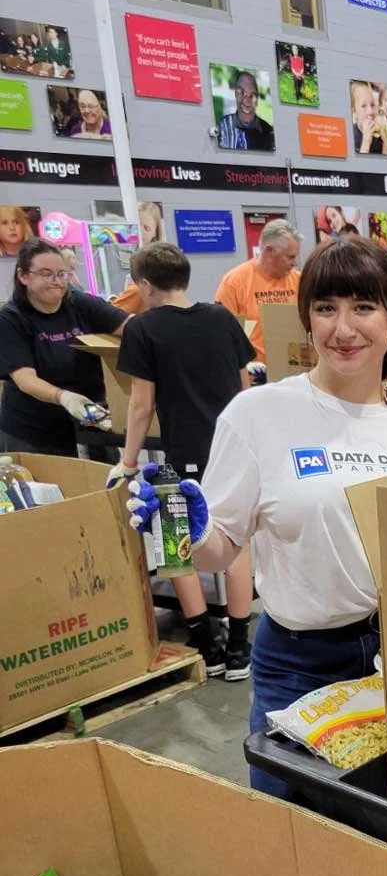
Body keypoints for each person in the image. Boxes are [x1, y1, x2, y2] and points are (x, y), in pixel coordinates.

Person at [126, 238, 387, 799]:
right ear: (307, 319)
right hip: (299, 662)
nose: (343, 328)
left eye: (363, 307)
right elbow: (218, 549)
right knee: (290, 828)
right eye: (326, 309)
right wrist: (181, 530)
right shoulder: (259, 413)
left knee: (380, 835)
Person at [107, 242, 256, 680]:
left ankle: (206, 643)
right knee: (237, 544)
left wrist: (128, 461)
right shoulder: (222, 317)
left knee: (177, 544)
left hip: (182, 456)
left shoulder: (143, 329)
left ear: (146, 285)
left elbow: (140, 404)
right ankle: (240, 649)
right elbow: (247, 387)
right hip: (233, 453)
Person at [0, 239, 126, 456]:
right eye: (46, 274)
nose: (56, 281)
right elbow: (25, 380)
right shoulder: (11, 319)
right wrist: (63, 397)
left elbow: (131, 328)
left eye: (62, 274)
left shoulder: (82, 304)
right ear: (23, 276)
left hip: (91, 419)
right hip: (35, 430)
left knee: (104, 483)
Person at [214, 219, 301, 368]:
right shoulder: (234, 282)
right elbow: (221, 335)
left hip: (294, 369)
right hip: (255, 374)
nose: (295, 263)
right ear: (269, 251)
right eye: (290, 257)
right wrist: (244, 365)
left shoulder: (300, 280)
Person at [218, 70, 274, 151]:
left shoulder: (269, 131)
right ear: (236, 94)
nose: (247, 101)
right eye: (242, 93)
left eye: (252, 95)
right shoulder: (221, 126)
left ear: (257, 99)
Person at [351, 81, 387, 155]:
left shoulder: (380, 132)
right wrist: (366, 141)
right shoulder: (352, 136)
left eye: (373, 105)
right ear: (354, 110)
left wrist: (385, 140)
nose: (370, 111)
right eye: (364, 106)